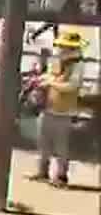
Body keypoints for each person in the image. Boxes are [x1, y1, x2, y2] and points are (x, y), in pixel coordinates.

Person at [31, 31, 84, 188]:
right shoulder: (57, 61)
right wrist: (39, 80)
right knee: (43, 143)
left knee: (61, 146)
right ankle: (42, 171)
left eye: (64, 46)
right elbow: (50, 76)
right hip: (48, 107)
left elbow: (72, 86)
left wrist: (51, 84)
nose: (61, 49)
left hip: (64, 112)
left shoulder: (77, 66)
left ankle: (61, 176)